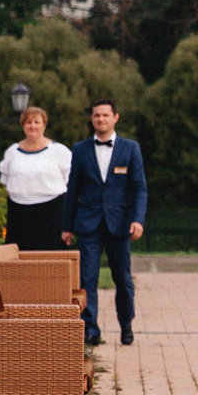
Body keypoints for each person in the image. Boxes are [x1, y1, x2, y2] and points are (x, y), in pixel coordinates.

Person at [61, 98, 147, 346]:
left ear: (115, 118)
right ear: (92, 119)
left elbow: (139, 188)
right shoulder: (80, 149)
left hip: (120, 224)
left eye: (105, 115)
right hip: (88, 224)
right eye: (97, 115)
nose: (101, 119)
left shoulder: (130, 149)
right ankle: (90, 329)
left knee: (123, 277)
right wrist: (67, 226)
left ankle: (126, 323)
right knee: (87, 279)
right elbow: (73, 189)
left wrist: (137, 220)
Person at [0, 105, 72, 251]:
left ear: (44, 125)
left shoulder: (58, 150)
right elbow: (5, 180)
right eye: (28, 122)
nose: (32, 126)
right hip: (19, 214)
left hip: (52, 212)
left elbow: (70, 181)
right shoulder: (12, 152)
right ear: (23, 126)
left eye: (37, 122)